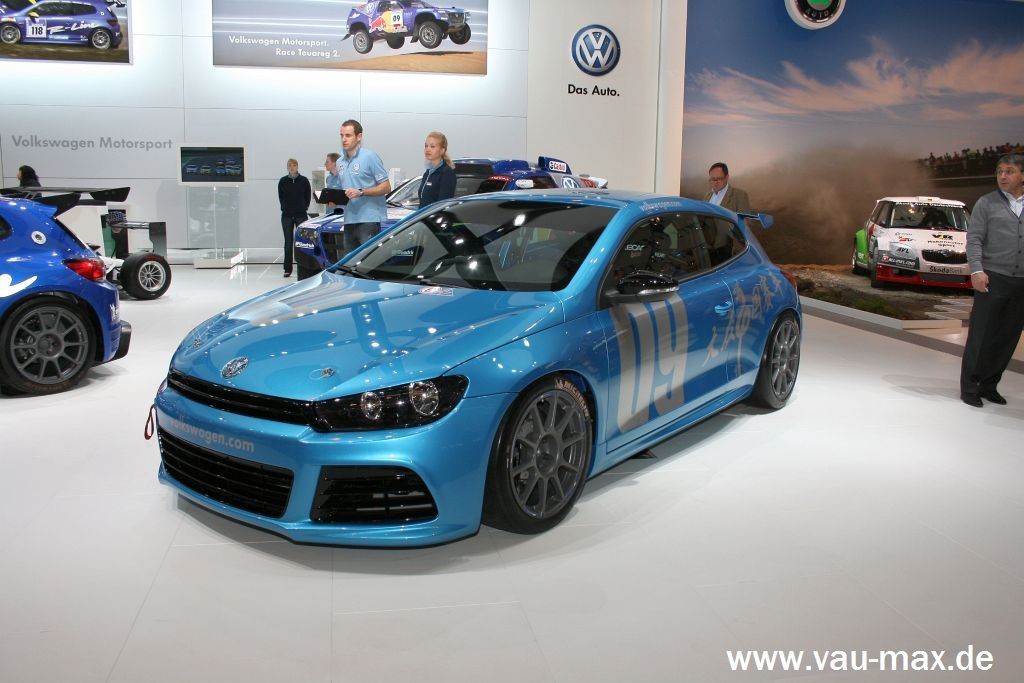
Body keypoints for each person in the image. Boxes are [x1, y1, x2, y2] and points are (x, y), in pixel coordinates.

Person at [959, 153, 1024, 407]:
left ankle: (989, 385)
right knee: (981, 335)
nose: (1003, 176)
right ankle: (970, 387)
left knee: (1008, 338)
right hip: (992, 278)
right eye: (999, 172)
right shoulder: (986, 203)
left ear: (1022, 176)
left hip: (1021, 282)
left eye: (1009, 171)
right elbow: (974, 239)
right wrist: (976, 270)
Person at [338, 119, 391, 254]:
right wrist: (334, 200)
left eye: (348, 135)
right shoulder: (340, 162)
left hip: (369, 221)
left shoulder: (370, 157)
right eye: (342, 135)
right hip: (349, 220)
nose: (344, 139)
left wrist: (361, 192)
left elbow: (386, 187)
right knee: (349, 263)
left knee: (368, 262)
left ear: (359, 137)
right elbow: (343, 192)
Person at [277, 158, 311, 277]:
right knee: (288, 243)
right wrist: (285, 208)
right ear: (287, 167)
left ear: (297, 167)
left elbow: (307, 196)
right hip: (286, 216)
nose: (292, 167)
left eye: (294, 165)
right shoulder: (282, 181)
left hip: (301, 215)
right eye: (290, 165)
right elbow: (281, 197)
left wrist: (303, 207)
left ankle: (304, 268)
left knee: (303, 242)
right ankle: (287, 269)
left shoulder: (304, 180)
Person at [418, 131, 456, 207]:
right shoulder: (427, 173)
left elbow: (443, 205)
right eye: (426, 146)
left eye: (432, 146)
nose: (427, 149)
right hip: (424, 214)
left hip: (435, 214)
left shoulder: (446, 173)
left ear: (442, 150)